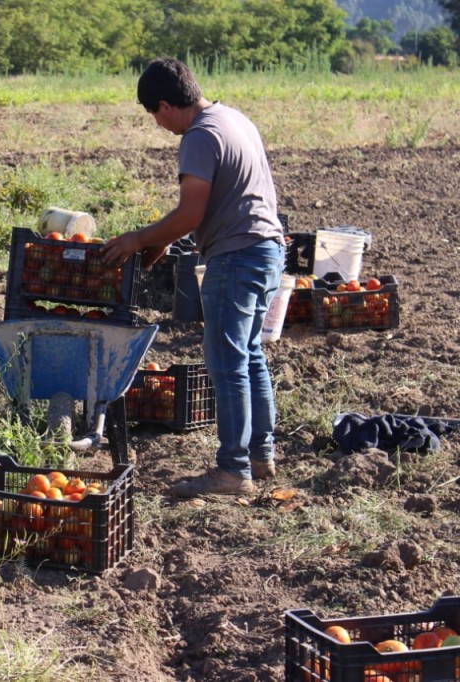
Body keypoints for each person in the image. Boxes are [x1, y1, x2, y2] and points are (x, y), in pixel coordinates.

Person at [103, 57, 284, 497]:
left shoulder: (200, 136)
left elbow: (190, 212)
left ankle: (232, 471)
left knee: (227, 363)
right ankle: (260, 454)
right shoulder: (233, 118)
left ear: (165, 106)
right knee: (249, 355)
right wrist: (165, 238)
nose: (159, 126)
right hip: (267, 250)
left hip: (237, 256)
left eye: (154, 117)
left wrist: (138, 238)